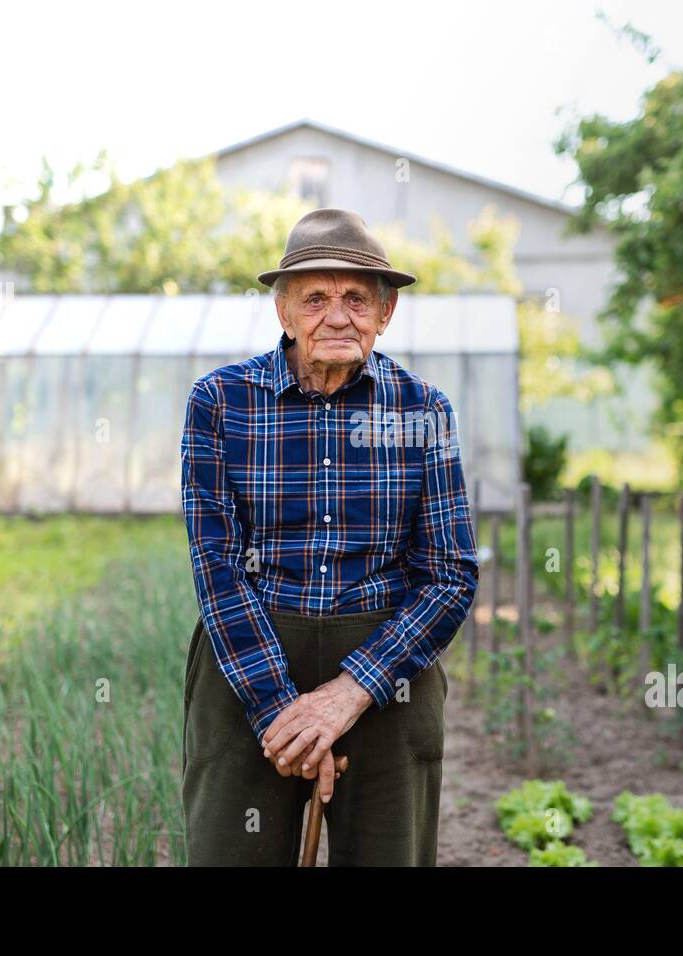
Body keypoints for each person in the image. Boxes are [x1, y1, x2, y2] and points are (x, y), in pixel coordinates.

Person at [179, 207, 479, 865]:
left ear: (386, 312)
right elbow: (217, 565)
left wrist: (347, 696)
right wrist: (281, 715)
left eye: (356, 298)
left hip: (388, 673)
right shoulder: (221, 403)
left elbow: (450, 575)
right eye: (315, 298)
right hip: (248, 662)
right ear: (284, 312)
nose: (338, 316)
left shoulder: (423, 410)